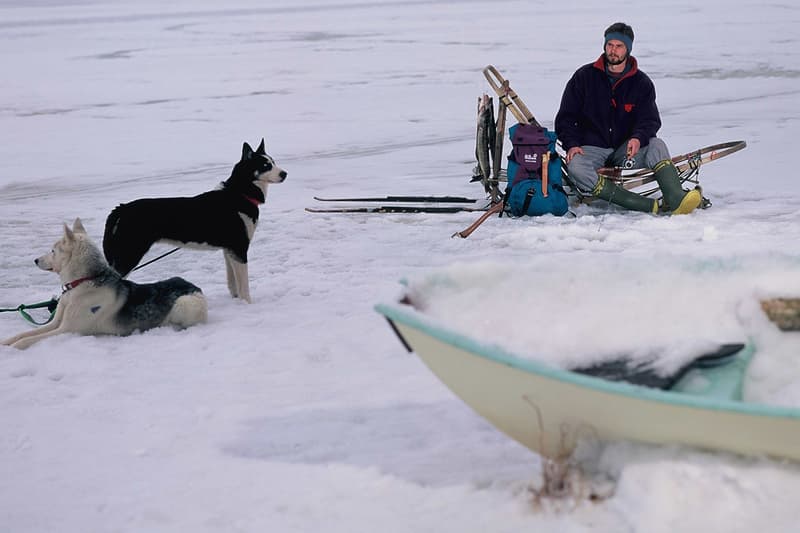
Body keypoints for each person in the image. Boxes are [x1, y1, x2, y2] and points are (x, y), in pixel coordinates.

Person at [555, 22, 701, 214]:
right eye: (610, 45)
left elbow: (650, 120)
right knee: (575, 166)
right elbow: (566, 117)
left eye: (619, 46)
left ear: (628, 49)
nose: (613, 51)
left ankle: (675, 198)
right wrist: (572, 144)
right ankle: (642, 204)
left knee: (656, 144)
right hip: (590, 149)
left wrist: (638, 138)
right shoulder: (584, 77)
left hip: (625, 150)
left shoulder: (641, 83)